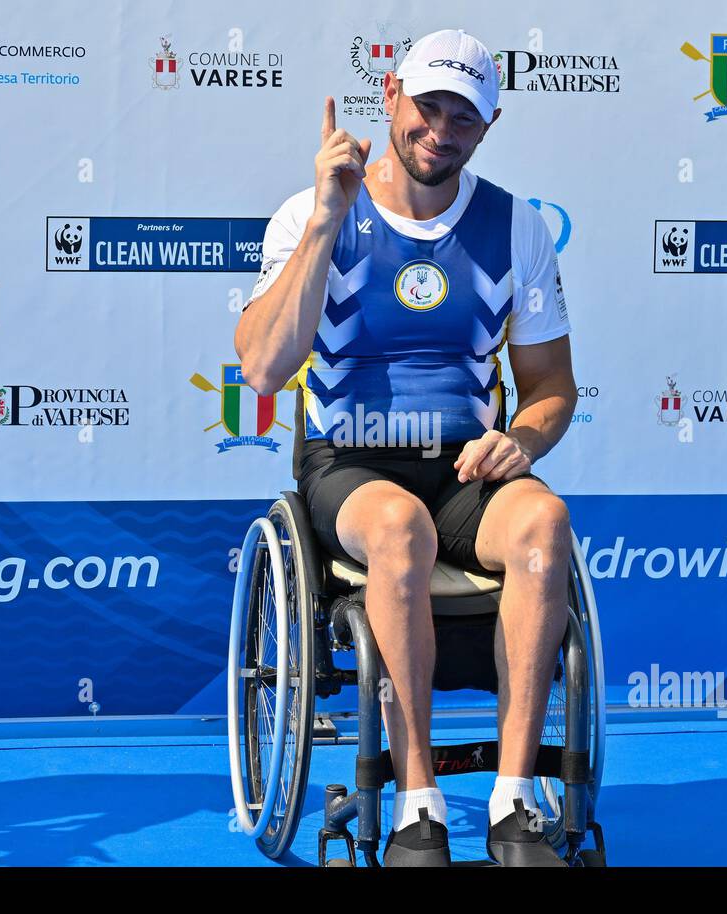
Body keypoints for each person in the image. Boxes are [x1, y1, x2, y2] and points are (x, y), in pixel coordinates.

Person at [234, 28, 577, 866]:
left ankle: (513, 797)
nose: (441, 129)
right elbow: (264, 369)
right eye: (428, 106)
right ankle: (416, 801)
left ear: (487, 127)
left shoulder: (515, 228)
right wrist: (323, 222)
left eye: (464, 115)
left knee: (544, 525)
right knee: (398, 529)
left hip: (464, 465)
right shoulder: (312, 212)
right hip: (347, 465)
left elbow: (552, 390)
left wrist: (520, 442)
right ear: (390, 96)